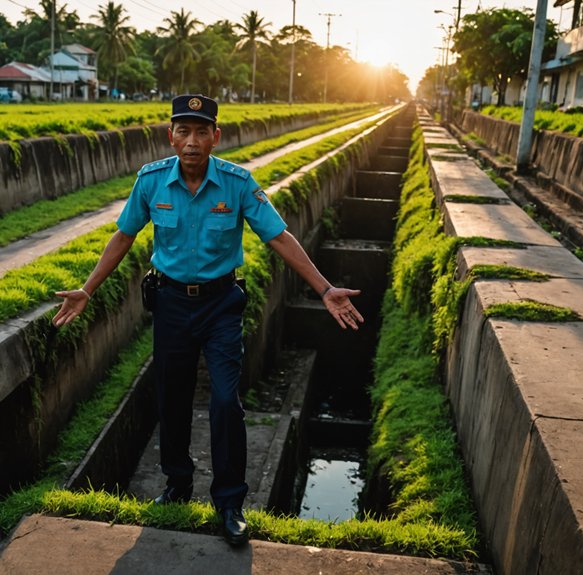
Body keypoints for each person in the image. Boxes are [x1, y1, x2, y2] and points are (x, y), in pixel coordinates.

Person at [52, 94, 364, 546]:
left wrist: (323, 288)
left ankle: (230, 501)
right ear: (171, 136)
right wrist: (87, 288)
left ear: (216, 137)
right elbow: (124, 235)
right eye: (184, 131)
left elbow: (279, 236)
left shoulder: (238, 184)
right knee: (172, 398)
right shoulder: (152, 181)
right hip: (172, 304)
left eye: (202, 132)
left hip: (221, 306)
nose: (192, 141)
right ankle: (178, 485)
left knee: (224, 400)